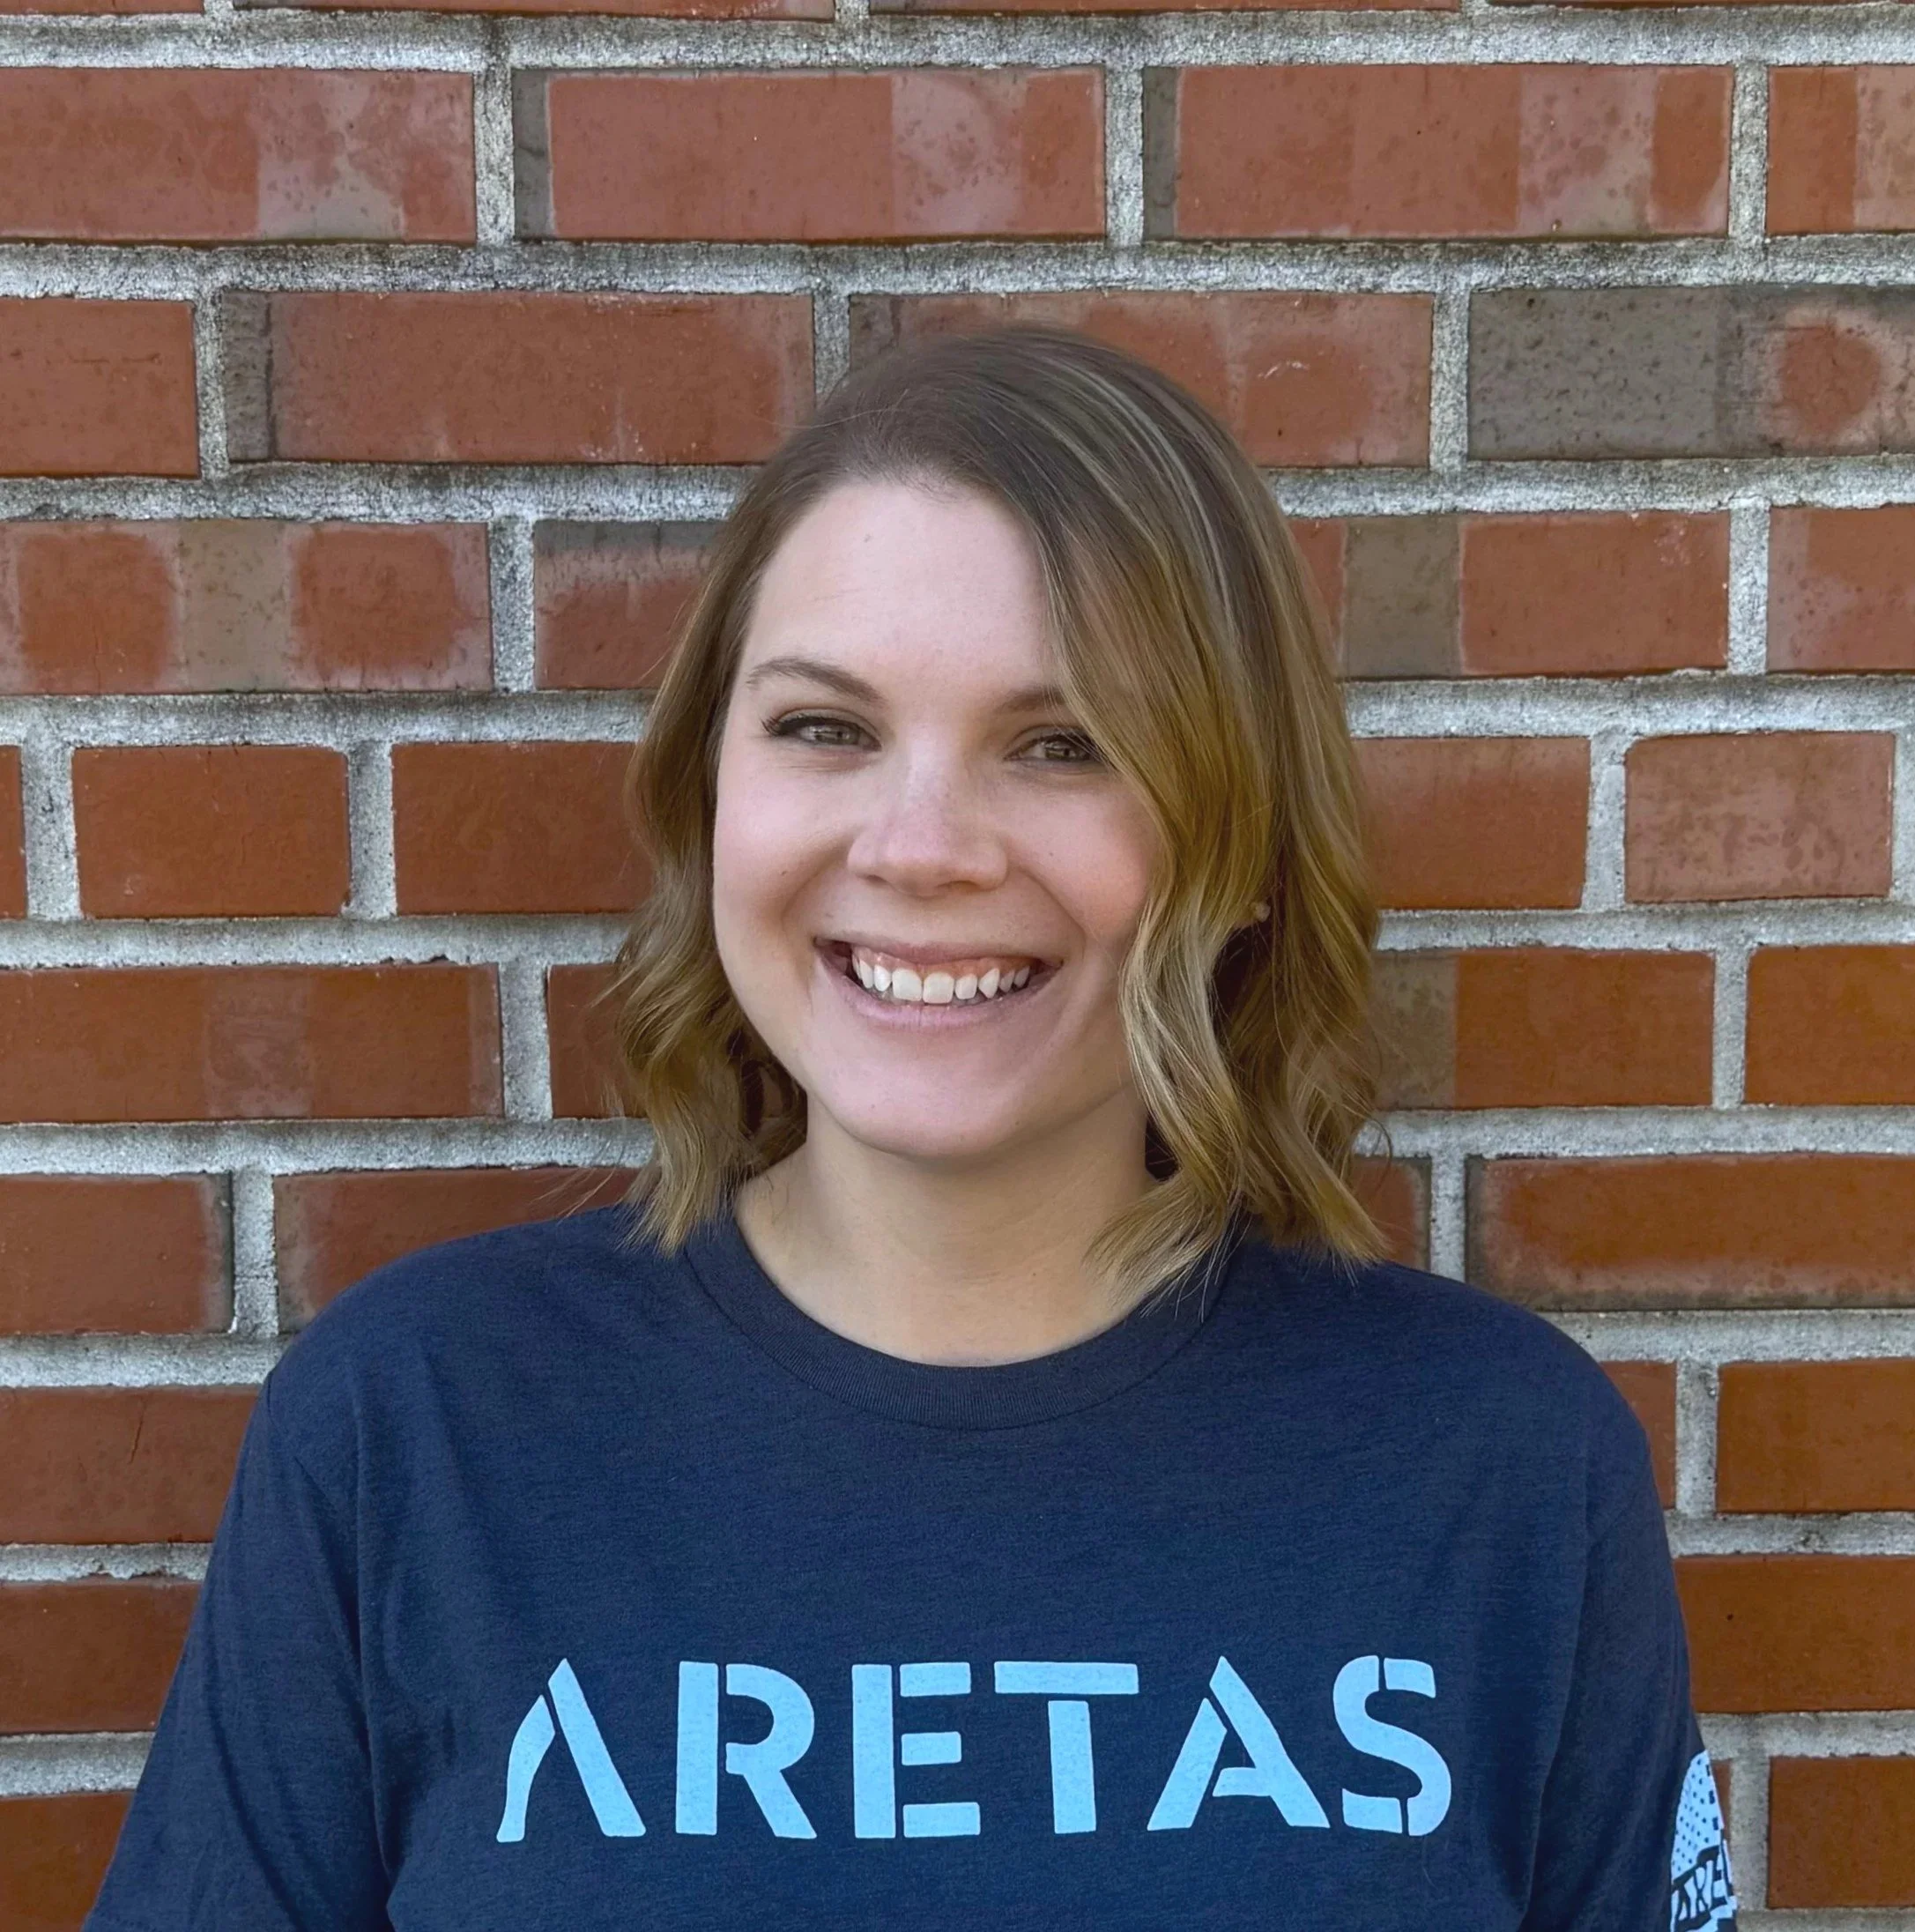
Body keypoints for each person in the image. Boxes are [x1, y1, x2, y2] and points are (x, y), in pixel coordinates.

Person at [84, 326, 1734, 1931]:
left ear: (1234, 835)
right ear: (709, 791)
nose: (923, 844)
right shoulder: (415, 1432)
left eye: (1064, 744)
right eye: (826, 728)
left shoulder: (1501, 1467)